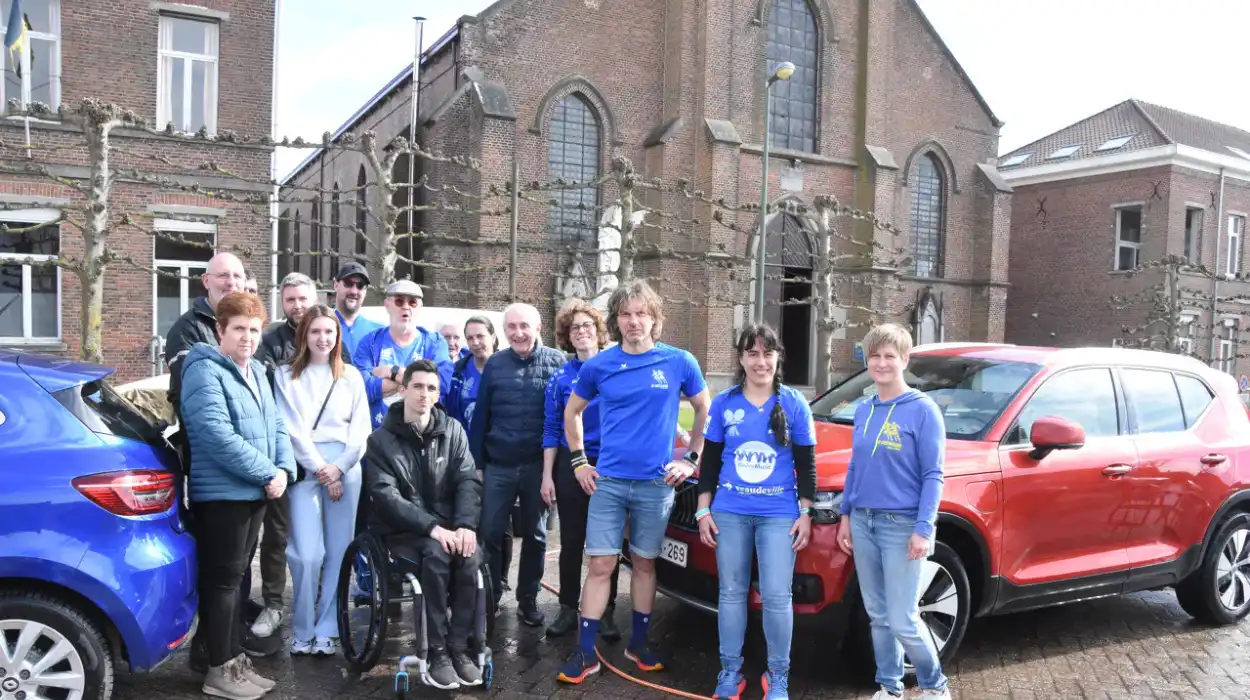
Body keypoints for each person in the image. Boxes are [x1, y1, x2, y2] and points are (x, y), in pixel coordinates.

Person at [557, 280, 711, 684]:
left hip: (655, 485)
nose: (633, 321)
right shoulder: (599, 365)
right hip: (607, 482)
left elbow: (704, 410)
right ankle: (586, 651)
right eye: (625, 314)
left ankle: (638, 643)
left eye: (642, 313)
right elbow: (572, 412)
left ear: (655, 319)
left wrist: (691, 460)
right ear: (616, 320)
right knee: (602, 563)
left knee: (644, 563)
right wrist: (579, 463)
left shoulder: (679, 361)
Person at [180, 291, 296, 700]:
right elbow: (214, 435)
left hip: (256, 491)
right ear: (220, 330)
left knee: (236, 581)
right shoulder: (204, 370)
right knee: (222, 583)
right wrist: (268, 472)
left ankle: (232, 659)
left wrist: (283, 469)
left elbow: (277, 426)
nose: (247, 337)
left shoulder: (258, 372)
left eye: (253, 329)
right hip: (224, 496)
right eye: (238, 329)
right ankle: (218, 668)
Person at [696, 323, 817, 700]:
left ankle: (777, 677)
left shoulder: (794, 404)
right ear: (741, 358)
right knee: (731, 593)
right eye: (752, 353)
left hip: (778, 514)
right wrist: (703, 511)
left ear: (777, 357)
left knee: (778, 596)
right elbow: (711, 463)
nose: (760, 361)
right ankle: (730, 673)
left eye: (767, 353)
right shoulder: (725, 403)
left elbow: (806, 464)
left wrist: (806, 513)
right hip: (730, 511)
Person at [836, 323, 950, 700]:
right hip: (864, 522)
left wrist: (923, 528)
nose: (882, 363)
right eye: (875, 356)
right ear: (867, 360)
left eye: (890, 356)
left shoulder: (923, 410)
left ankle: (935, 686)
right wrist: (846, 516)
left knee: (903, 618)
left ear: (904, 360)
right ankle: (889, 688)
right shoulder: (864, 409)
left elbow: (934, 474)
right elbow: (856, 467)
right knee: (879, 616)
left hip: (901, 525)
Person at [364, 359, 484, 690]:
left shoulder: (453, 431)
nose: (424, 394)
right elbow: (386, 498)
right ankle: (437, 652)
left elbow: (466, 482)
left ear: (438, 393)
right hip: (403, 531)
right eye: (417, 386)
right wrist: (433, 527)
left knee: (471, 556)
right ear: (403, 390)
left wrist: (465, 526)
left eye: (431, 388)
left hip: (448, 527)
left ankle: (459, 649)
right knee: (437, 557)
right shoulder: (379, 442)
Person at [275, 305, 371, 657]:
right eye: (315, 331)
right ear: (304, 335)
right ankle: (301, 628)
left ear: (337, 336)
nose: (323, 338)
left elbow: (361, 431)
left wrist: (340, 468)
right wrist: (321, 469)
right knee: (306, 554)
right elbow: (291, 430)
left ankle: (327, 627)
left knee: (339, 550)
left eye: (329, 332)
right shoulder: (286, 376)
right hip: (306, 466)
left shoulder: (351, 377)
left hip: (346, 467)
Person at [467, 303, 565, 626]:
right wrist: (478, 463)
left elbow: (565, 418)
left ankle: (528, 598)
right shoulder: (495, 365)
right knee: (491, 532)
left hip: (537, 466)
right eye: (511, 327)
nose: (518, 333)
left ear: (538, 328)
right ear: (504, 331)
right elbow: (481, 418)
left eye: (524, 326)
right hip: (499, 464)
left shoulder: (556, 362)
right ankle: (491, 595)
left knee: (536, 536)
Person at [540, 299, 622, 641]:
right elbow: (551, 428)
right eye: (575, 328)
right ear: (567, 336)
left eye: (588, 325)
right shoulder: (559, 377)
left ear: (599, 332)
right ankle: (568, 608)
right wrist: (547, 474)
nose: (582, 332)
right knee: (572, 542)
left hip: (610, 467)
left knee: (608, 544)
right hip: (572, 467)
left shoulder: (616, 370)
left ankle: (606, 611)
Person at [353, 279, 453, 429]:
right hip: (378, 434)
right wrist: (417, 384)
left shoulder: (435, 343)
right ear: (387, 305)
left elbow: (442, 384)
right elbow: (361, 389)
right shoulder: (369, 342)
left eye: (412, 302)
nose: (406, 307)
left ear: (420, 307)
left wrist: (391, 371)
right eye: (399, 302)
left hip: (421, 434)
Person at [332, 262, 384, 359]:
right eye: (348, 284)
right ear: (335, 285)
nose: (354, 291)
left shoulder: (378, 332)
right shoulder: (321, 327)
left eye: (360, 286)